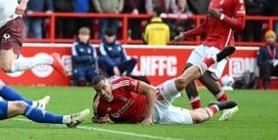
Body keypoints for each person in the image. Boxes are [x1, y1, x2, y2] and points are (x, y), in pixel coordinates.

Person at [91, 46, 238, 125]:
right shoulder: (99, 106)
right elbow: (98, 119)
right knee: (199, 118)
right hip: (159, 117)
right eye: (99, 91)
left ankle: (214, 58)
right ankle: (217, 106)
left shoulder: (122, 83)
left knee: (182, 81)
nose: (103, 92)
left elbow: (149, 89)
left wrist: (147, 118)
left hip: (156, 98)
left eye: (104, 87)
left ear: (109, 83)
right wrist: (103, 121)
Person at [174, 0, 245, 121]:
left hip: (221, 45)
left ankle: (227, 104)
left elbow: (240, 25)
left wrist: (220, 16)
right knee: (187, 71)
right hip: (207, 42)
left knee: (202, 72)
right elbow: (206, 26)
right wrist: (185, 35)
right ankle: (198, 111)